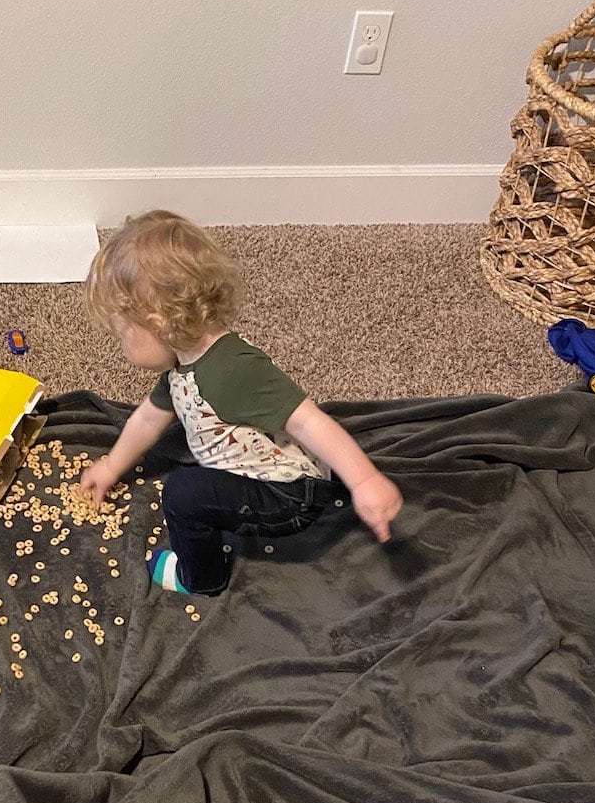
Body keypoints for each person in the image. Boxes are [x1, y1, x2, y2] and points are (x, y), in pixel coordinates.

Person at [78, 210, 403, 596]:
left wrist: (364, 481)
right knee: (184, 470)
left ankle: (200, 578)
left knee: (183, 494)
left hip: (288, 496)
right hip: (261, 475)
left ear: (158, 323)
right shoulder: (182, 365)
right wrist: (113, 465)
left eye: (123, 336)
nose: (122, 348)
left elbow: (308, 421)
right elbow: (149, 418)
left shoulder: (232, 368)